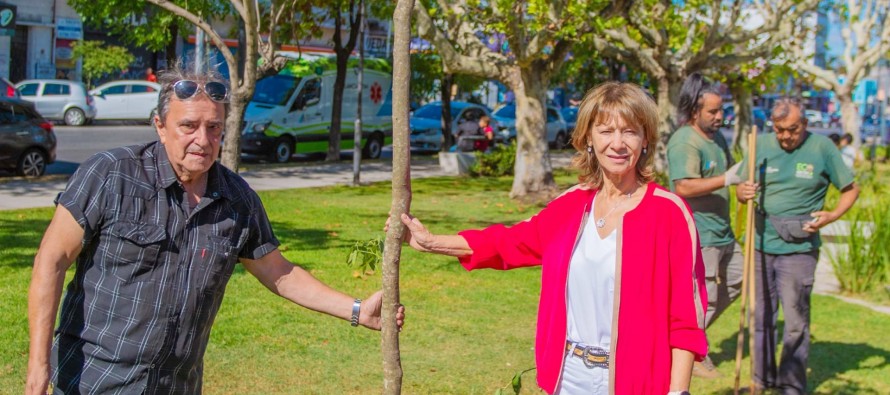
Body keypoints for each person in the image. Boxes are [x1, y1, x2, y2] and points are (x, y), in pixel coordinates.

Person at [26, 64, 404, 395]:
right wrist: (38, 367)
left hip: (176, 386)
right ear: (160, 126)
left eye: (214, 128)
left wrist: (357, 310)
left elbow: (280, 272)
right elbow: (51, 259)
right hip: (94, 381)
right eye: (188, 126)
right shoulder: (111, 175)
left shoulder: (237, 200)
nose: (203, 141)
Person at [390, 82, 707, 394]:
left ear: (645, 140)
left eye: (629, 131)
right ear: (588, 139)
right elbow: (510, 243)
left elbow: (685, 319)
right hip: (568, 378)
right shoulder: (571, 206)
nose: (618, 143)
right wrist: (431, 241)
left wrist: (678, 392)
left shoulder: (669, 214)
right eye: (606, 131)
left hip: (636, 383)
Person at [736, 97, 858, 395]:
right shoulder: (759, 144)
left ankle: (791, 384)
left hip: (798, 250)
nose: (785, 136)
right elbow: (740, 188)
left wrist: (831, 216)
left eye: (792, 129)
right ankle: (760, 379)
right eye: (779, 130)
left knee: (795, 320)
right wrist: (742, 191)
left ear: (804, 124)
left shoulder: (822, 148)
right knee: (761, 317)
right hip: (761, 243)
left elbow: (850, 189)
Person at [666, 73, 750, 378]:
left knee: (739, 279)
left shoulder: (718, 139)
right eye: (713, 112)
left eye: (721, 110)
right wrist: (727, 179)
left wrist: (741, 188)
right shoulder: (684, 141)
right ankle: (690, 350)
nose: (720, 117)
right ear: (693, 112)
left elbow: (731, 178)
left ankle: (688, 342)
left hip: (723, 231)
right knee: (706, 297)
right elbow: (683, 187)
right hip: (699, 233)